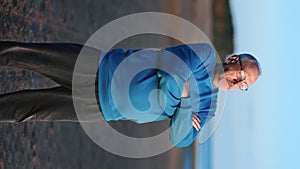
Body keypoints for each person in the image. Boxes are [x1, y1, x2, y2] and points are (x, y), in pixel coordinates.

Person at [0, 41, 261, 147]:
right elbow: (170, 70)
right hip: (100, 68)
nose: (238, 83)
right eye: (241, 74)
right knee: (24, 55)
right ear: (233, 60)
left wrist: (184, 97)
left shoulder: (208, 108)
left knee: (29, 111)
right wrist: (182, 110)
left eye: (244, 84)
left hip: (103, 108)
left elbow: (180, 139)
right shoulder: (204, 53)